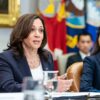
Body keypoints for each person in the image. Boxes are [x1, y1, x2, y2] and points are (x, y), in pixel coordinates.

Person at [0, 14, 72, 92]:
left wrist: (55, 82)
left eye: (41, 30)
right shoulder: (6, 58)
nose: (37, 35)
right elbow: (8, 87)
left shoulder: (47, 56)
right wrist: (46, 86)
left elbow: (50, 90)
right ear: (21, 34)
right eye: (32, 30)